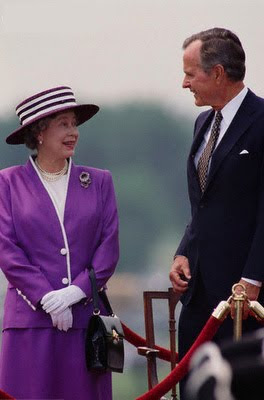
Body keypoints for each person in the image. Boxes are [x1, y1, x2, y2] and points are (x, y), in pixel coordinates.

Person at [0, 86, 119, 400]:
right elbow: (7, 250)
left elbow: (108, 248)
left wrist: (74, 292)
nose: (73, 132)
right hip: (29, 325)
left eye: (74, 124)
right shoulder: (7, 183)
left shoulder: (99, 181)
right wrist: (45, 298)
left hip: (86, 323)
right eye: (63, 124)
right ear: (39, 132)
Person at [169, 28, 264, 397]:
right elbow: (204, 203)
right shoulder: (203, 123)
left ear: (219, 73)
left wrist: (253, 278)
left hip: (246, 298)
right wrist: (182, 250)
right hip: (200, 294)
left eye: (191, 73)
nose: (184, 83)